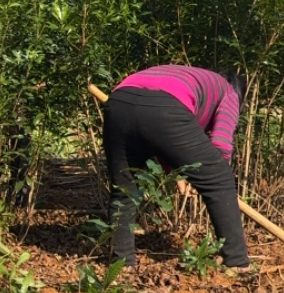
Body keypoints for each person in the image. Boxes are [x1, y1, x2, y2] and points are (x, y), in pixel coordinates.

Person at [102, 63, 250, 270]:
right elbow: (221, 145)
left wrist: (178, 172)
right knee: (220, 177)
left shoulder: (195, 77)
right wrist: (212, 178)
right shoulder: (229, 92)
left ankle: (121, 263)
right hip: (165, 105)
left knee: (124, 190)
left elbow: (160, 138)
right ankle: (237, 260)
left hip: (118, 103)